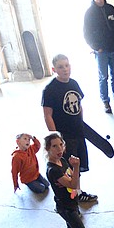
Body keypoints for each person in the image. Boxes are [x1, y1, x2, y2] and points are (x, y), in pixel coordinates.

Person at [43, 132, 112, 228]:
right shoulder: (53, 170)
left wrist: (75, 187)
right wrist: (76, 167)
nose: (59, 148)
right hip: (66, 208)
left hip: (71, 204)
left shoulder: (62, 161)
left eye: (61, 144)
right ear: (47, 148)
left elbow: (75, 185)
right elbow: (73, 182)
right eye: (54, 146)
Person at [41, 54, 96, 203]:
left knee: (77, 164)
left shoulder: (74, 84)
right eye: (60, 67)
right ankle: (71, 198)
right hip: (65, 137)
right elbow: (48, 115)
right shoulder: (50, 90)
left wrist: (81, 123)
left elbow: (79, 105)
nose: (65, 69)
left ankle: (77, 192)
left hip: (78, 132)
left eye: (67, 65)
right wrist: (56, 138)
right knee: (66, 170)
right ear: (54, 69)